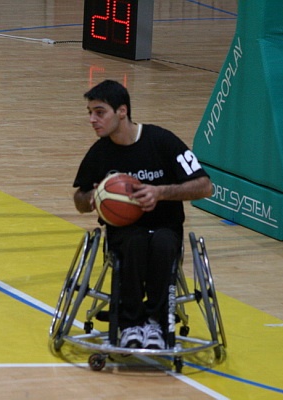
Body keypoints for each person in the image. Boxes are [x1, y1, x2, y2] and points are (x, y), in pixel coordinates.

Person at [73, 80, 212, 350]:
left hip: (165, 228)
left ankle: (157, 324)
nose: (92, 119)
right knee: (134, 243)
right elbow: (79, 199)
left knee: (161, 244)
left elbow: (205, 186)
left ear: (122, 111)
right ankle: (130, 324)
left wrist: (160, 192)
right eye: (90, 112)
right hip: (123, 231)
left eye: (99, 112)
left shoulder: (162, 141)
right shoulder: (100, 152)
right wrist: (92, 198)